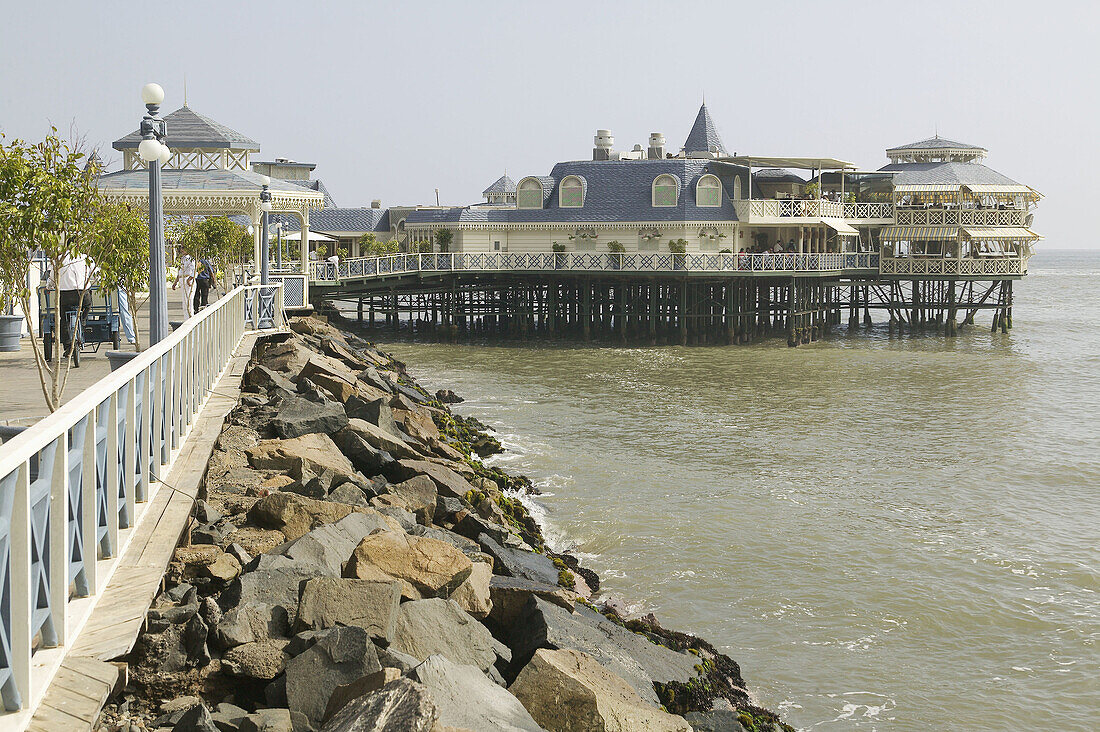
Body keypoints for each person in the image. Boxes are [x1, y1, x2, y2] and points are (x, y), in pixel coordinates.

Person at [47, 253, 93, 364]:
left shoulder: (59, 258)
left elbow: (52, 277)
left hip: (65, 295)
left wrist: (49, 286)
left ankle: (68, 346)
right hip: (81, 293)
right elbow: (95, 274)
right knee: (87, 304)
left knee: (64, 319)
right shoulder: (85, 258)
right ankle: (82, 321)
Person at [173, 246, 197, 317]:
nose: (182, 250)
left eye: (184, 248)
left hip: (188, 279)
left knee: (189, 301)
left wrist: (189, 279)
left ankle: (190, 317)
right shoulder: (182, 259)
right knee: (184, 302)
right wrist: (175, 282)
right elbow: (180, 272)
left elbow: (194, 270)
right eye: (181, 248)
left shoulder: (190, 259)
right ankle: (186, 318)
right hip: (182, 280)